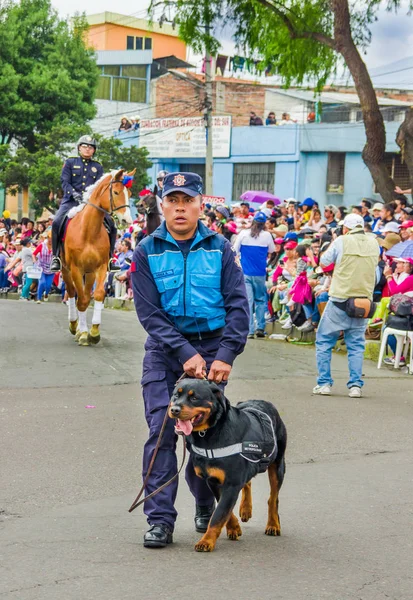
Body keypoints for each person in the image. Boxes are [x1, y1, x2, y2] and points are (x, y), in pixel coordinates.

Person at [131, 172, 249, 548]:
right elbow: (149, 313)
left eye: (188, 201)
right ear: (161, 205)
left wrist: (226, 354)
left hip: (213, 349)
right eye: (173, 201)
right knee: (162, 433)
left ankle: (205, 504)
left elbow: (238, 306)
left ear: (202, 205)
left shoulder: (221, 248)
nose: (180, 208)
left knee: (204, 434)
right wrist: (185, 352)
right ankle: (160, 520)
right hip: (165, 353)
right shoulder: (146, 250)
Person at [313, 214, 380, 398]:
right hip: (363, 301)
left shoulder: (341, 240)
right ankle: (355, 386)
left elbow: (324, 262)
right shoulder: (374, 243)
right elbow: (377, 274)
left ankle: (324, 383)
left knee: (324, 340)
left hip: (340, 299)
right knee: (357, 345)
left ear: (345, 228)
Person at [50, 136, 117, 273]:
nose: (87, 149)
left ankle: (110, 258)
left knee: (112, 225)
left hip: (91, 203)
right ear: (79, 148)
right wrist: (73, 193)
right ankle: (56, 257)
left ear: (94, 151)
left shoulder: (97, 166)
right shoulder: (70, 162)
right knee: (57, 222)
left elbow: (99, 186)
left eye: (90, 147)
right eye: (85, 146)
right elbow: (65, 181)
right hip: (71, 200)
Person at [233, 211, 275, 339]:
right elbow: (272, 250)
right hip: (260, 273)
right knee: (261, 300)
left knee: (248, 301)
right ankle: (260, 327)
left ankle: (250, 330)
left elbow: (234, 250)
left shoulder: (244, 234)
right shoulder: (267, 235)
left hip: (245, 272)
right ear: (263, 224)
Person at [33, 231, 54, 303]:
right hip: (41, 267)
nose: (50, 240)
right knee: (42, 282)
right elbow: (34, 254)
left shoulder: (56, 246)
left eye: (52, 238)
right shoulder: (42, 245)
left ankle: (46, 294)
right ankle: (38, 298)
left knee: (48, 285)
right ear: (47, 238)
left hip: (51, 268)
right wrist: (35, 261)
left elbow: (59, 257)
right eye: (49, 238)